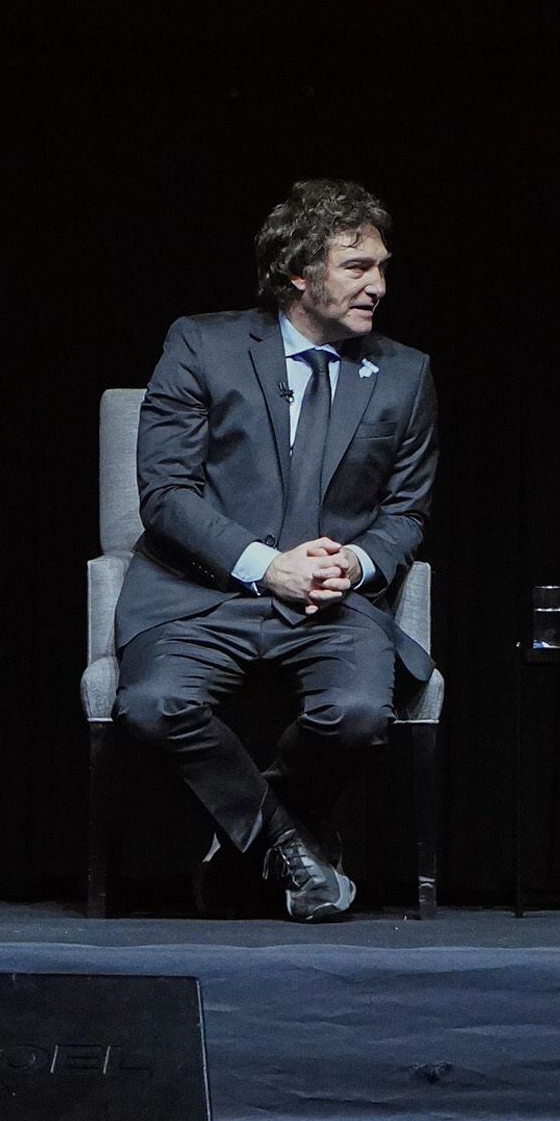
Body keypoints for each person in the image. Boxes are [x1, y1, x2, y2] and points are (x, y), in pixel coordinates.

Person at [112, 179, 439, 921]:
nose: (378, 285)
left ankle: (242, 855)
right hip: (206, 593)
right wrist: (267, 565)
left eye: (383, 267)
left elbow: (405, 512)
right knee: (155, 704)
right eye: (357, 266)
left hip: (332, 599)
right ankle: (292, 849)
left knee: (358, 712)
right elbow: (165, 493)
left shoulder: (405, 373)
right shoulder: (202, 343)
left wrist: (355, 563)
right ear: (299, 271)